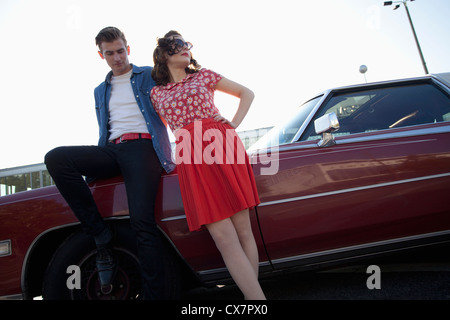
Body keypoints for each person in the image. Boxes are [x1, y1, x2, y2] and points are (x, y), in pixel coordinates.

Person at [44, 26, 175, 299]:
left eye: (120, 51)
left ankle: (154, 295)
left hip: (143, 148)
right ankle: (99, 231)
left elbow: (175, 89)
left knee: (142, 222)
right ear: (101, 55)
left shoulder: (150, 76)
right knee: (56, 158)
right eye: (109, 53)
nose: (117, 58)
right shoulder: (99, 90)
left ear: (127, 48)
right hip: (112, 150)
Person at [151, 30, 266, 300]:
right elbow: (162, 132)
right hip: (191, 157)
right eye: (178, 44)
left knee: (243, 231)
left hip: (222, 146)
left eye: (187, 44)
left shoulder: (204, 76)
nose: (185, 47)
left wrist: (234, 123)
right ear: (164, 54)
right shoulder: (156, 94)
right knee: (224, 239)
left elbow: (246, 93)